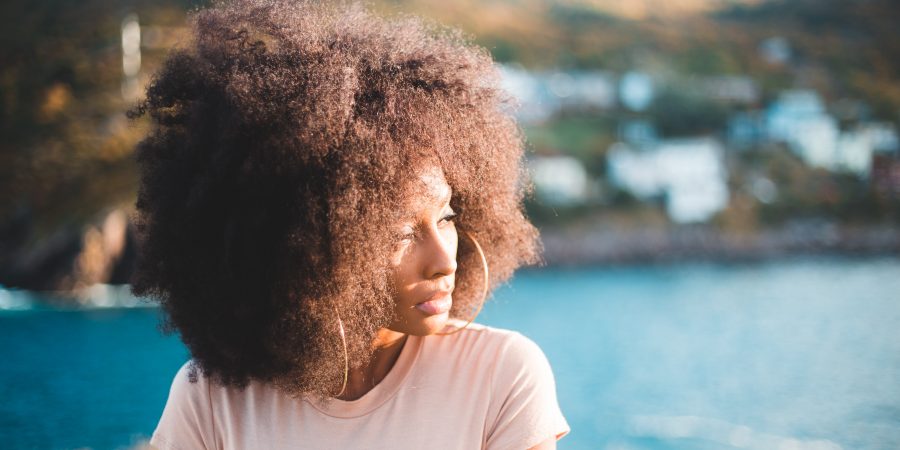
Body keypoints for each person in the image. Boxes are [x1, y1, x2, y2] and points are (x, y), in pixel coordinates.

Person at [130, 0, 569, 448]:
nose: (444, 260)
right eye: (400, 232)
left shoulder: (501, 374)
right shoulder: (209, 398)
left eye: (446, 217)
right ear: (298, 246)